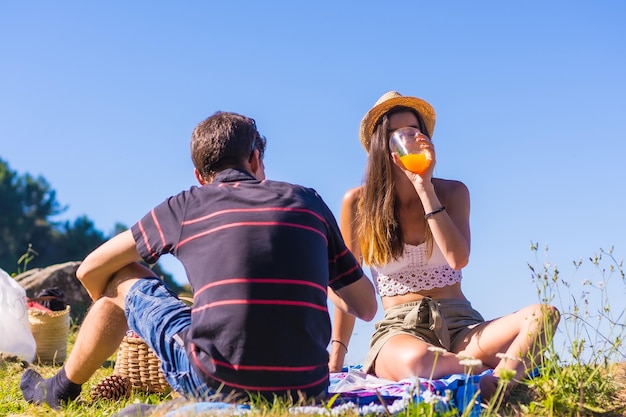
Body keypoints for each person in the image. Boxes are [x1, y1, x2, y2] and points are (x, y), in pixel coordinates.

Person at [21, 111, 377, 409]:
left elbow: (89, 268)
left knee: (124, 274)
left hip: (216, 383)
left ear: (199, 176)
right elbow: (365, 307)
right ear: (255, 159)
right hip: (307, 390)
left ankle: (60, 390)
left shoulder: (188, 204)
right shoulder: (308, 201)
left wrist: (119, 307)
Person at [329, 91, 560, 400]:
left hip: (461, 325)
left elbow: (457, 258)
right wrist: (337, 355)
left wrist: (424, 186)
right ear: (380, 146)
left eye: (414, 131)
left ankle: (499, 383)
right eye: (396, 134)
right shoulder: (357, 202)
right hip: (401, 329)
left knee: (543, 315)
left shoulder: (452, 193)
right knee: (417, 362)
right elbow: (348, 284)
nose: (407, 139)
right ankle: (491, 367)